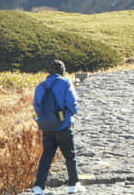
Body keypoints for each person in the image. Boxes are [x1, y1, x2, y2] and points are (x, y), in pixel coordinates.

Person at [33, 59, 83, 195]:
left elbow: (37, 107)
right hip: (64, 125)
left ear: (49, 71)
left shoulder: (40, 86)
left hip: (47, 128)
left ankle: (39, 187)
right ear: (63, 72)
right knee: (70, 156)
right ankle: (73, 185)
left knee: (47, 156)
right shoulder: (65, 83)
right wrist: (71, 114)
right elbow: (73, 105)